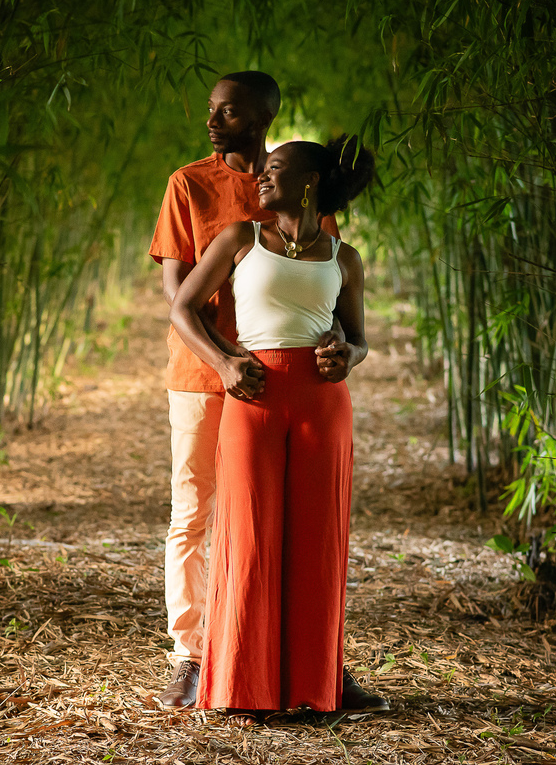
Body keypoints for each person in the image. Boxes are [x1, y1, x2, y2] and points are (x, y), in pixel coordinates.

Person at [147, 71, 386, 713]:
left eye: (226, 112)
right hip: (207, 370)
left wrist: (338, 347)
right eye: (212, 111)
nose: (212, 121)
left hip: (292, 379)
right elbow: (178, 296)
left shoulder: (295, 181)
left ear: (259, 119)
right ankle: (195, 659)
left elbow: (321, 293)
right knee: (196, 514)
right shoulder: (188, 184)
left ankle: (316, 664)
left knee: (301, 522)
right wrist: (226, 358)